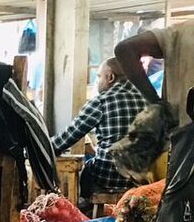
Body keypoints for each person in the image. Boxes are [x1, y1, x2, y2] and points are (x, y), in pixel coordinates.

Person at [51, 59, 149, 211]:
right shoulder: (148, 99)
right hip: (145, 179)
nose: (97, 82)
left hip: (111, 177)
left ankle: (86, 208)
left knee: (88, 168)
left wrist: (42, 147)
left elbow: (68, 137)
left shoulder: (102, 101)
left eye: (98, 76)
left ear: (110, 77)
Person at [116, 21, 194, 123]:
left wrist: (156, 103)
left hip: (181, 130)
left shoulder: (182, 32)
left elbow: (125, 49)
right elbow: (125, 49)